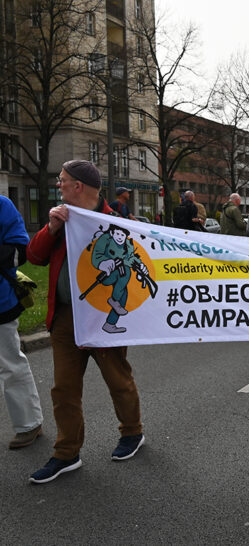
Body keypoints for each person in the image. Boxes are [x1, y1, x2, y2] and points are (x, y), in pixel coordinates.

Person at [26, 160, 145, 484]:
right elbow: (34, 256)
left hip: (99, 317)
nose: (59, 185)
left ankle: (132, 432)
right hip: (65, 318)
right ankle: (66, 453)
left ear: (78, 186)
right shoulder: (62, 219)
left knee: (118, 380)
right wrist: (51, 228)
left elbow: (133, 264)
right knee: (64, 389)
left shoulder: (116, 223)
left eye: (63, 180)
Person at [0, 196, 44, 449]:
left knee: (10, 364)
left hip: (1, 302)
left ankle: (29, 424)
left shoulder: (2, 205)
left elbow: (20, 252)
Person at [90, 224, 150, 334]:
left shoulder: (128, 244)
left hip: (120, 277)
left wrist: (140, 265)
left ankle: (110, 324)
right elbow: (96, 255)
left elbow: (131, 258)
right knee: (126, 271)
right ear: (112, 233)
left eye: (122, 235)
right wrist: (104, 263)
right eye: (117, 234)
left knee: (123, 296)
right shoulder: (105, 240)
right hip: (106, 274)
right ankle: (114, 300)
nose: (120, 237)